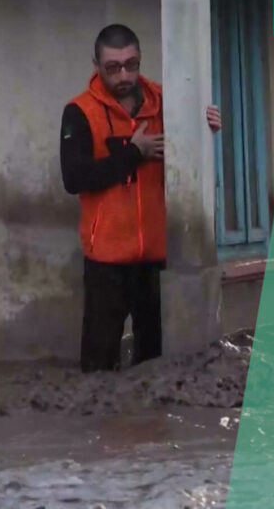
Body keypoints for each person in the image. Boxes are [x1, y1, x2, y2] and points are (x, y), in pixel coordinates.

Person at [59, 24, 222, 373]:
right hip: (105, 258)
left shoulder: (166, 102)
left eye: (131, 65)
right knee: (99, 366)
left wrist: (207, 126)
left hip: (155, 256)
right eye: (113, 67)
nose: (124, 75)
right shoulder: (80, 111)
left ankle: (151, 428)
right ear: (96, 65)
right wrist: (133, 153)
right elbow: (74, 178)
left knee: (156, 364)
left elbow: (192, 154)